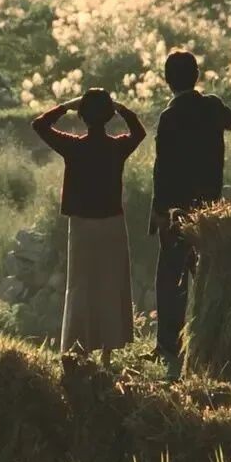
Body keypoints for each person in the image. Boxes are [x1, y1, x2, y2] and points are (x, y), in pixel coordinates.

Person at [32, 88, 146, 368]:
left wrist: (65, 106)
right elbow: (139, 132)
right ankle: (107, 353)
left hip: (82, 226)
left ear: (82, 116)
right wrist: (120, 108)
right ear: (109, 115)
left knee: (81, 285)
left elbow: (39, 125)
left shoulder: (74, 147)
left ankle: (78, 348)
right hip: (112, 224)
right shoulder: (117, 147)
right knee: (110, 284)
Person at [146, 50, 231, 381]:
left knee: (171, 278)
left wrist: (160, 212)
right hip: (209, 206)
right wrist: (209, 100)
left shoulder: (170, 117)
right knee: (207, 276)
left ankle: (169, 345)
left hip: (178, 210)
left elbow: (163, 169)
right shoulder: (212, 107)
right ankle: (213, 342)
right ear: (197, 76)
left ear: (167, 80)